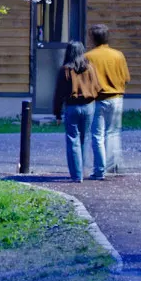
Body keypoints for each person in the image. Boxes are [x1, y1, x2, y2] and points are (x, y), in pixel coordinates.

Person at [81, 23, 131, 179]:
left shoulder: (88, 57)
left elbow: (84, 80)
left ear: (92, 38)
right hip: (116, 98)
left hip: (96, 100)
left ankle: (99, 170)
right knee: (114, 133)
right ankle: (114, 166)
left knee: (97, 135)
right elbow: (126, 78)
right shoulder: (118, 55)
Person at [57, 40, 97, 182]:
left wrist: (57, 113)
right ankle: (82, 171)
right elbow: (97, 87)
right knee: (85, 138)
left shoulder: (66, 69)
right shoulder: (90, 68)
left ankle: (76, 175)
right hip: (89, 106)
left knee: (72, 139)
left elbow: (59, 93)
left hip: (72, 106)